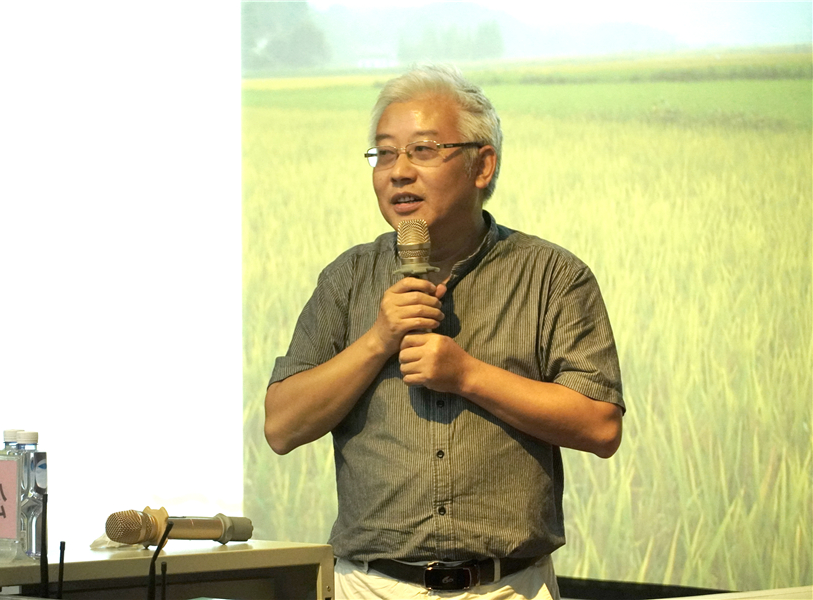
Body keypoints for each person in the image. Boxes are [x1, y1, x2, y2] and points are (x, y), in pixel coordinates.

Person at [264, 64, 625, 599]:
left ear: (482, 165)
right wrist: (377, 341)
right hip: (371, 586)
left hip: (508, 588)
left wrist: (467, 375)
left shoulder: (552, 275)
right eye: (384, 153)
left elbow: (600, 426)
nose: (398, 172)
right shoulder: (348, 277)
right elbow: (281, 426)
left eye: (423, 150)